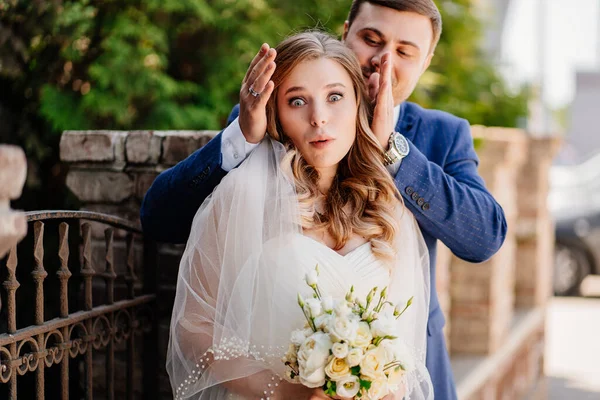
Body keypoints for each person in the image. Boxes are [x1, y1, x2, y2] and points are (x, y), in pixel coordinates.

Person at [142, 1, 507, 398]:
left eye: (405, 51)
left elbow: (483, 237)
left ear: (427, 60)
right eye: (371, 39)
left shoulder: (441, 135)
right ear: (346, 32)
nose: (383, 61)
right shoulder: (264, 120)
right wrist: (244, 136)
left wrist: (389, 148)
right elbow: (161, 220)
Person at [167, 31, 433, 400]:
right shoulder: (245, 196)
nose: (319, 118)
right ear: (274, 113)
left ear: (359, 104)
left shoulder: (387, 209)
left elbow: (403, 352)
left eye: (335, 97)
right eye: (297, 101)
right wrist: (286, 393)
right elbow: (195, 327)